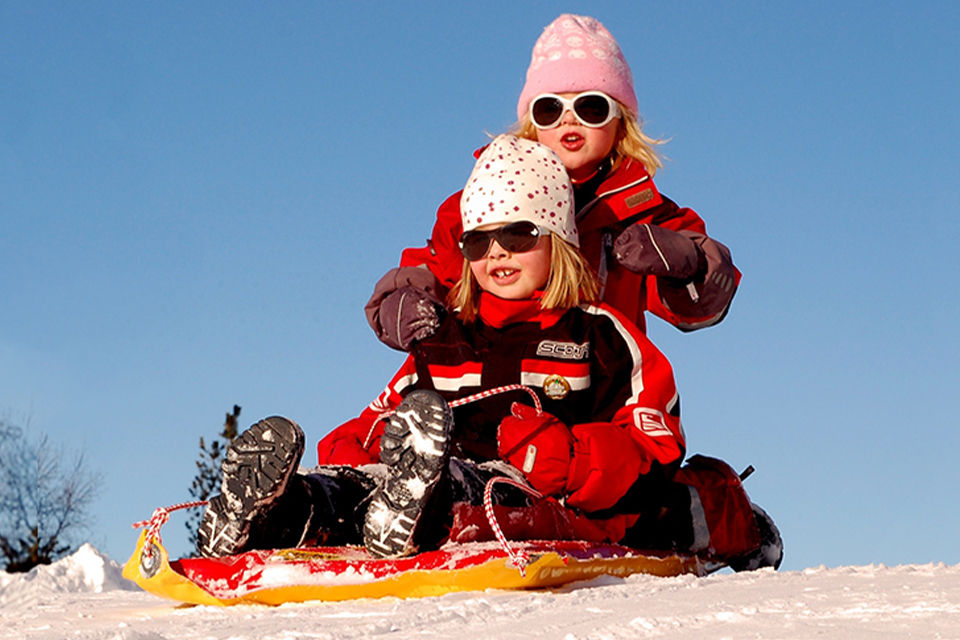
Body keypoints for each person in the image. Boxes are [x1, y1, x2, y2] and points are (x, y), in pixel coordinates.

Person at [196, 136, 781, 570]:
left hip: (530, 494)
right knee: (358, 488)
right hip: (420, 478)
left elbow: (654, 448)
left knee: (474, 493)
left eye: (519, 234)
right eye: (479, 240)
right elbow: (375, 419)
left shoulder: (599, 335)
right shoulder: (447, 338)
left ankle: (412, 505)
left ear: (559, 242)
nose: (497, 251)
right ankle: (281, 512)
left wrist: (570, 457)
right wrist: (355, 450)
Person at [367, 13, 740, 354]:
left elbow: (701, 306)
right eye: (550, 108)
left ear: (620, 120)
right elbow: (439, 266)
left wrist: (687, 264)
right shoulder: (488, 199)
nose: (568, 120)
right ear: (533, 121)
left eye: (591, 107)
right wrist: (403, 300)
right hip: (500, 372)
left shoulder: (644, 212)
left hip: (602, 381)